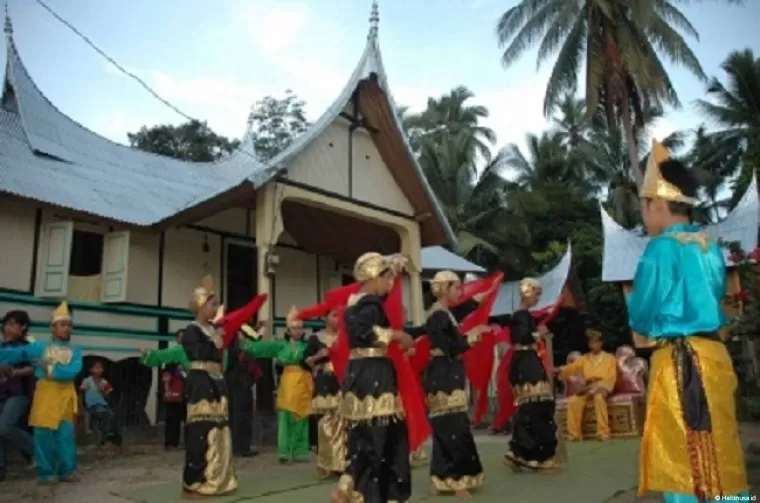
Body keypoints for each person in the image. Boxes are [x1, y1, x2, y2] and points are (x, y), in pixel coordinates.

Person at [627, 143, 748, 501]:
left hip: (680, 363)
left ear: (657, 204)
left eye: (644, 207)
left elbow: (643, 313)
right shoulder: (709, 246)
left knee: (683, 458)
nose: (644, 216)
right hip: (713, 356)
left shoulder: (660, 249)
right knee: (721, 450)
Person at [332, 252, 417, 503]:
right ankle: (372, 494)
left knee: (363, 436)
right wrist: (396, 336)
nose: (390, 283)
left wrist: (392, 266)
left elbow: (365, 325)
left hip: (359, 372)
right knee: (383, 436)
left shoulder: (354, 303)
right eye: (386, 277)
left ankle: (349, 486)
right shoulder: (369, 303)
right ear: (373, 276)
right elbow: (366, 331)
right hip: (374, 374)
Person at [424, 270, 496, 497]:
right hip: (444, 375)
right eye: (456, 288)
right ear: (445, 289)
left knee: (447, 427)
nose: (460, 292)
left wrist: (478, 299)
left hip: (445, 373)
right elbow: (452, 347)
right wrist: (474, 334)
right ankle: (455, 480)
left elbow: (460, 311)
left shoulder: (444, 313)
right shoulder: (439, 316)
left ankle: (441, 479)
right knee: (453, 428)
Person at [0, 301, 82, 484]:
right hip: (45, 394)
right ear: (53, 328)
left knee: (65, 435)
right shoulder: (41, 347)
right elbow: (18, 353)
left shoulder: (76, 351)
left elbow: (74, 371)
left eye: (69, 325)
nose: (66, 328)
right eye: (62, 324)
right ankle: (46, 473)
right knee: (43, 434)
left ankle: (67, 471)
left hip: (65, 396)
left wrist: (50, 369)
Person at [180, 276, 237, 498]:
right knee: (201, 429)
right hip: (201, 381)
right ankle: (195, 480)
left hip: (217, 380)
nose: (216, 308)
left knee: (220, 427)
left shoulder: (214, 329)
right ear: (201, 305)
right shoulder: (191, 331)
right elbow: (197, 353)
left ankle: (218, 478)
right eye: (213, 304)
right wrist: (214, 341)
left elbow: (219, 353)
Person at [503, 278, 563, 473]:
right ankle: (534, 456)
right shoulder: (521, 315)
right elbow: (521, 336)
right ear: (527, 292)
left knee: (532, 407)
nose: (538, 297)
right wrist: (539, 334)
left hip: (526, 362)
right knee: (537, 407)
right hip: (526, 365)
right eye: (537, 293)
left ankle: (521, 453)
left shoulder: (524, 315)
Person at [239, 307, 312, 464]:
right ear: (288, 330)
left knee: (301, 417)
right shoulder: (280, 346)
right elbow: (260, 348)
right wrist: (246, 343)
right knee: (286, 418)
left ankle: (299, 451)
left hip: (304, 383)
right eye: (294, 328)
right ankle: (285, 452)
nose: (298, 331)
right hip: (287, 382)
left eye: (300, 328)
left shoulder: (307, 346)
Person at [304, 307, 344, 478]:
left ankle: (342, 462)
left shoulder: (346, 337)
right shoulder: (315, 338)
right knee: (326, 423)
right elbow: (305, 361)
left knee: (343, 423)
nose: (338, 319)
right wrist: (318, 357)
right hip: (325, 382)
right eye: (334, 315)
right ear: (325, 318)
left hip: (344, 380)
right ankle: (327, 463)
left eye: (340, 315)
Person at [556, 330, 617, 441]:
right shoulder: (585, 358)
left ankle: (603, 432)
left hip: (603, 385)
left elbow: (611, 377)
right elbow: (572, 367)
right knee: (573, 401)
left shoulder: (610, 358)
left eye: (596, 342)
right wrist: (560, 370)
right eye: (591, 343)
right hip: (588, 386)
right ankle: (574, 434)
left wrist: (600, 387)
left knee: (598, 398)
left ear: (601, 343)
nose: (593, 345)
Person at [0, 310, 35, 481]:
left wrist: (13, 373)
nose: (8, 327)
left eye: (13, 324)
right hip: (2, 393)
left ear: (23, 327)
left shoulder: (26, 347)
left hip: (19, 392)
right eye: (6, 323)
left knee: (5, 428)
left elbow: (32, 368)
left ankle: (40, 452)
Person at [226, 325, 259, 458]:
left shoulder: (238, 350)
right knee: (240, 416)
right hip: (238, 385)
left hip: (240, 385)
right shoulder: (235, 351)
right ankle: (240, 447)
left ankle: (240, 446)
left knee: (240, 416)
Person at [80, 360, 121, 447]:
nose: (99, 370)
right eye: (96, 367)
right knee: (107, 414)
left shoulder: (104, 382)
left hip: (102, 405)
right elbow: (81, 389)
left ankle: (108, 437)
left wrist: (102, 390)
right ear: (91, 370)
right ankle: (106, 436)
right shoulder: (87, 380)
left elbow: (108, 394)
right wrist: (84, 387)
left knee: (111, 414)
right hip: (91, 405)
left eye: (101, 368)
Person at [162, 329, 186, 450]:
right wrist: (167, 387)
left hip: (188, 389)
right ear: (177, 339)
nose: (182, 339)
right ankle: (171, 442)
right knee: (172, 417)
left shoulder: (191, 353)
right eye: (180, 337)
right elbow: (166, 372)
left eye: (184, 337)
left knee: (189, 418)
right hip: (175, 388)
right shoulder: (172, 353)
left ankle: (189, 442)